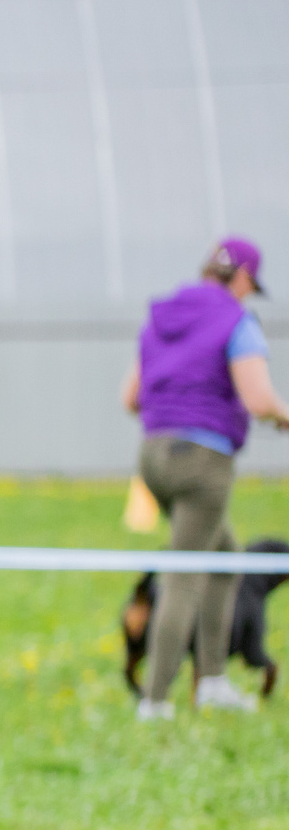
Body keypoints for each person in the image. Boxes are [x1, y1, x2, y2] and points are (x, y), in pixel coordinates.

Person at [122, 236, 289, 720]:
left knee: (225, 560)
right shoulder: (237, 321)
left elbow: (131, 398)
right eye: (249, 286)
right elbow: (258, 400)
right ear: (240, 278)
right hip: (202, 462)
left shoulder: (161, 318)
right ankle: (154, 701)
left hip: (153, 457)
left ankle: (212, 680)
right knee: (184, 575)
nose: (247, 295)